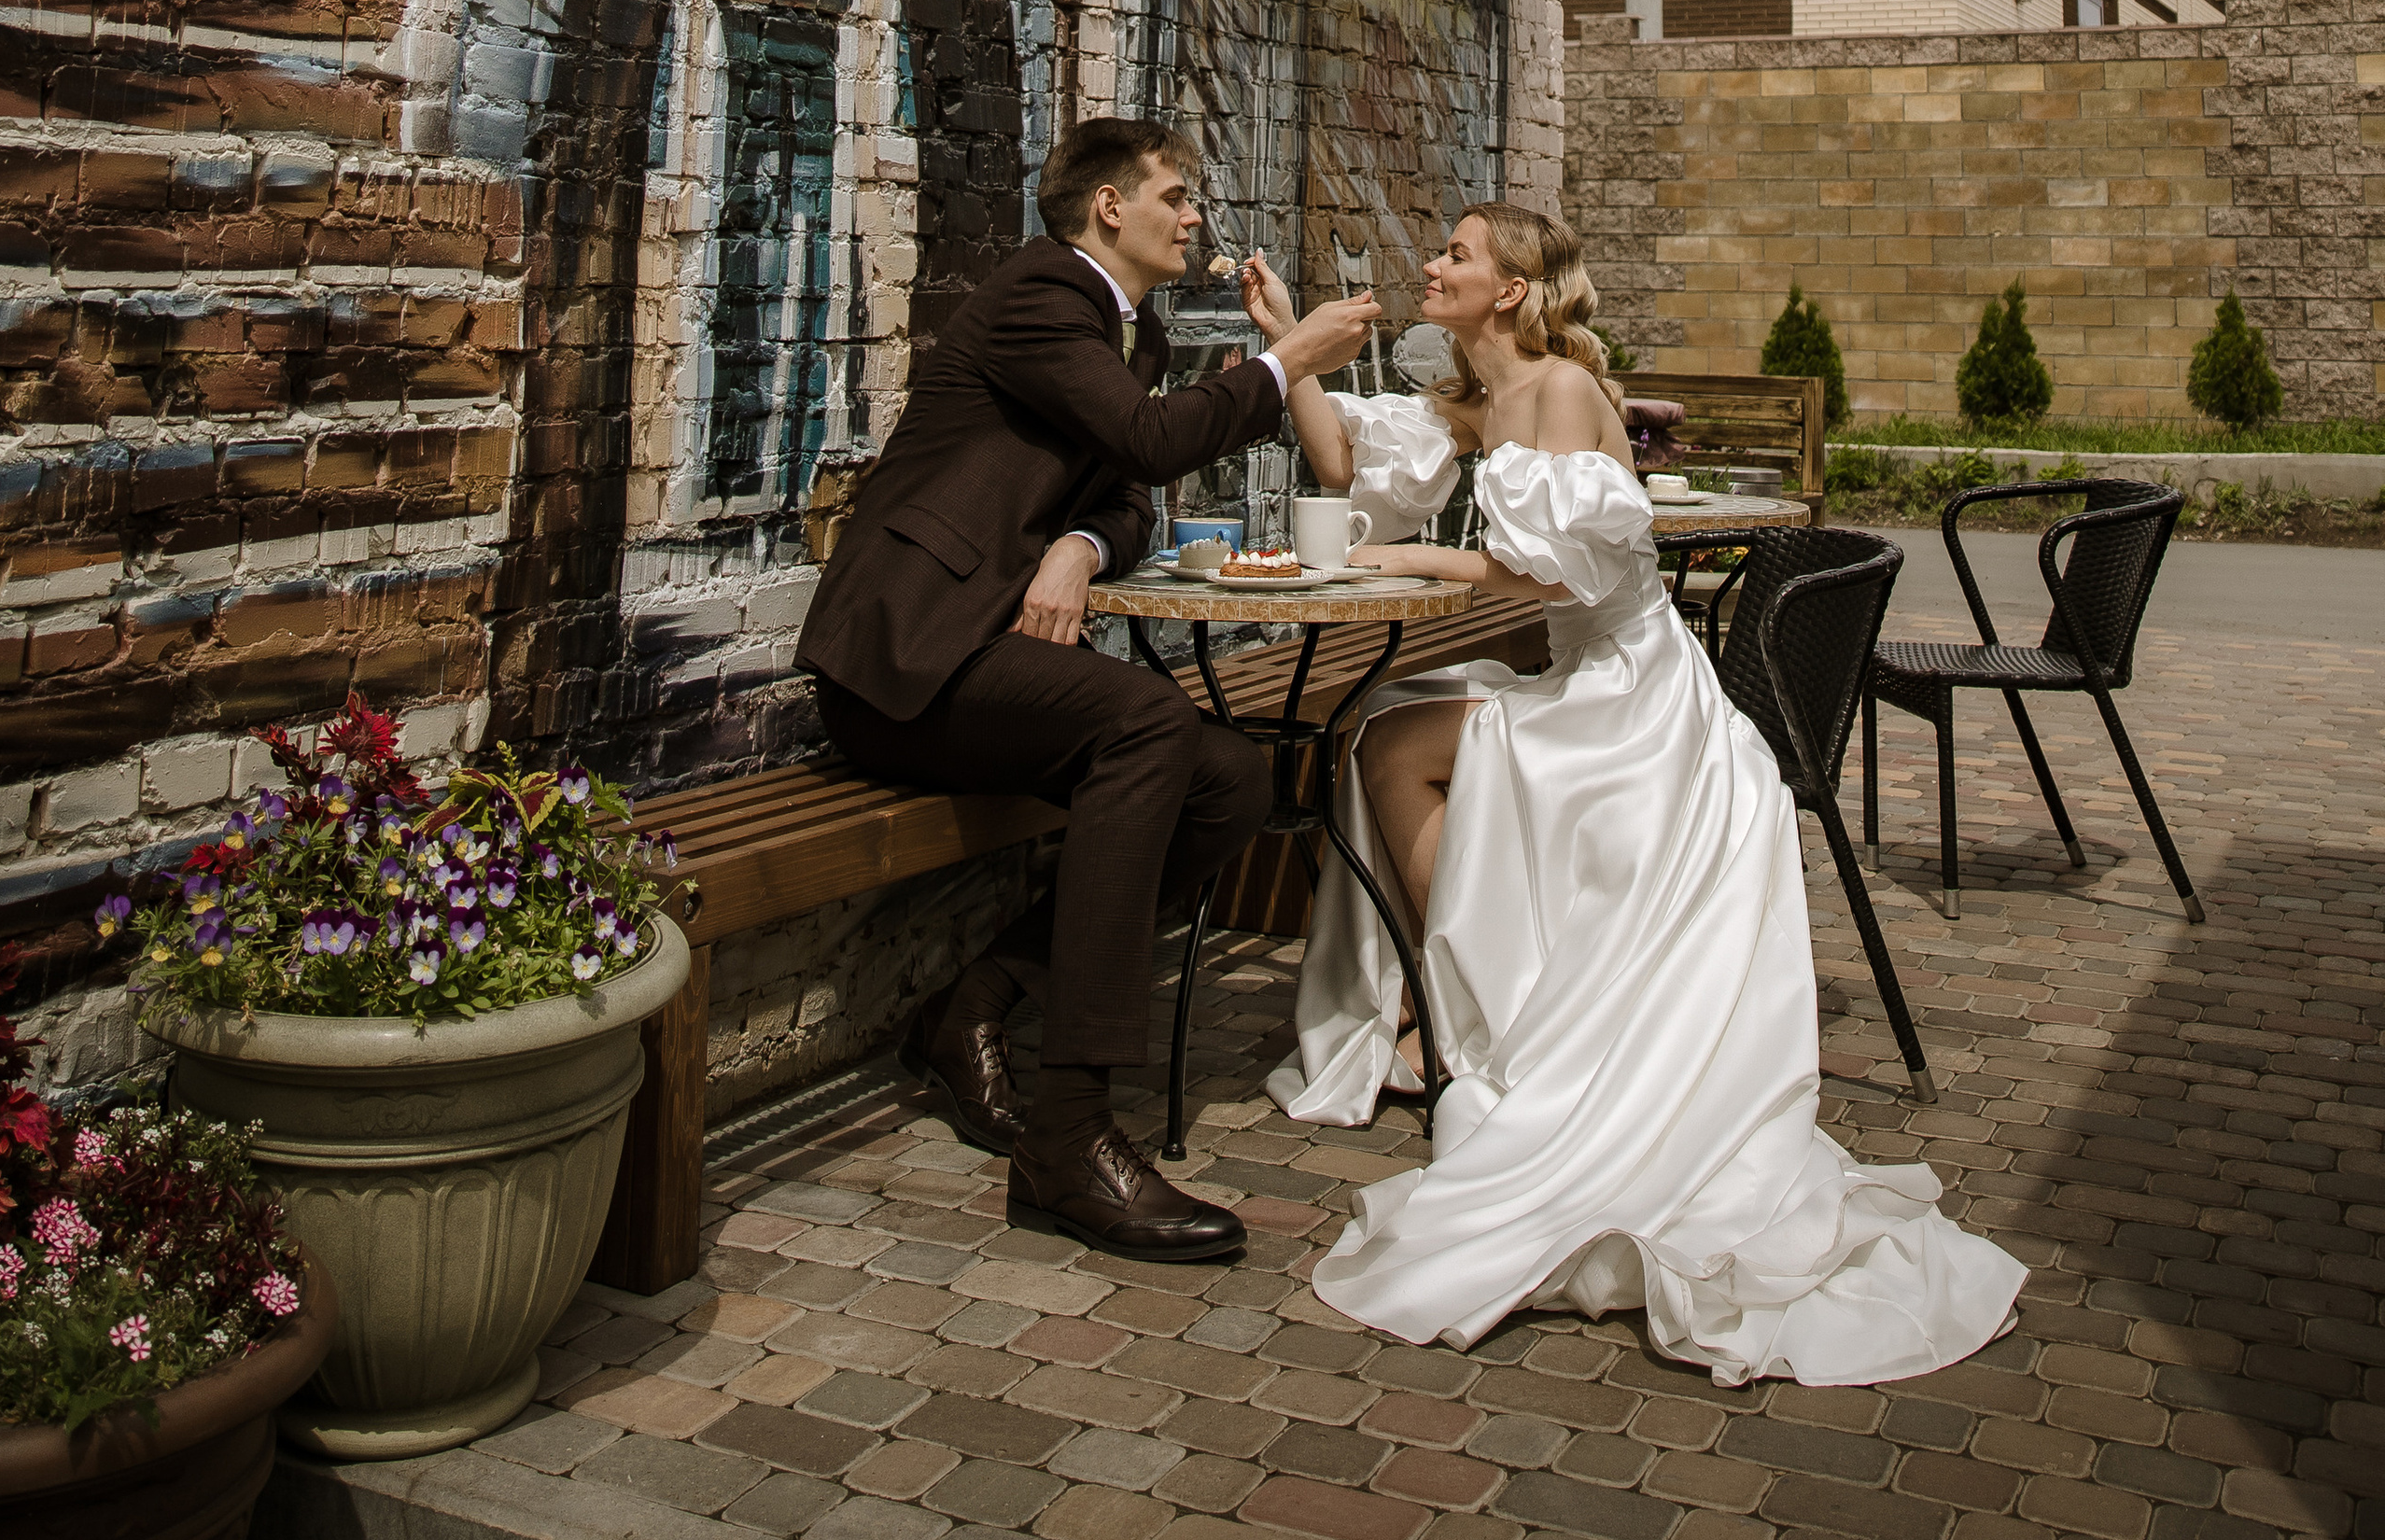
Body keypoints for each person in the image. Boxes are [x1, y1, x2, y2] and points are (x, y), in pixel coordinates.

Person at [1250, 203, 2027, 1382]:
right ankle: (1473, 1005)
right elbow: (1345, 468)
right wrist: (1288, 344)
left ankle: (1468, 1020)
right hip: (1575, 678)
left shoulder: (1561, 390)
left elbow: (1550, 576)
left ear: (1511, 288)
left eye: (1456, 254)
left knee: (1395, 745)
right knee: (1386, 732)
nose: (1434, 266)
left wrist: (1405, 556)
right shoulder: (1477, 393)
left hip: (1631, 698)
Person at [798, 118, 1378, 1266]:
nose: (1195, 215)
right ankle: (1068, 1139)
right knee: (1149, 724)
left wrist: (1079, 543)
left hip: (984, 662)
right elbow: (1147, 444)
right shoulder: (1042, 295)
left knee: (1229, 776)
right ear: (1111, 206)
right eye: (1176, 194)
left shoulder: (1131, 332)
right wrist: (1285, 361)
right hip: (904, 664)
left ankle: (973, 1002)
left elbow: (1125, 492)